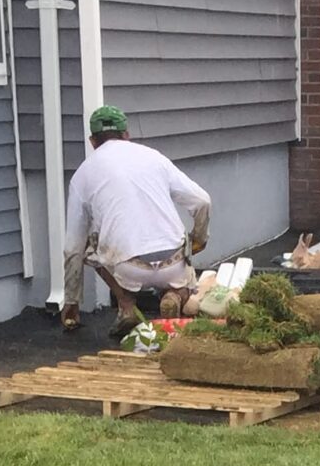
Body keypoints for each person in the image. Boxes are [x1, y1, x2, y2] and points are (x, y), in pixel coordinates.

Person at [60, 106, 211, 329]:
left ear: (92, 141)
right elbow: (202, 201)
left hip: (129, 268)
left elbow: (73, 248)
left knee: (87, 247)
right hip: (173, 263)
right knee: (182, 255)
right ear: (126, 134)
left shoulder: (82, 175)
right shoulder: (153, 157)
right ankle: (175, 295)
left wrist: (71, 300)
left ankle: (126, 305)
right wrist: (198, 239)